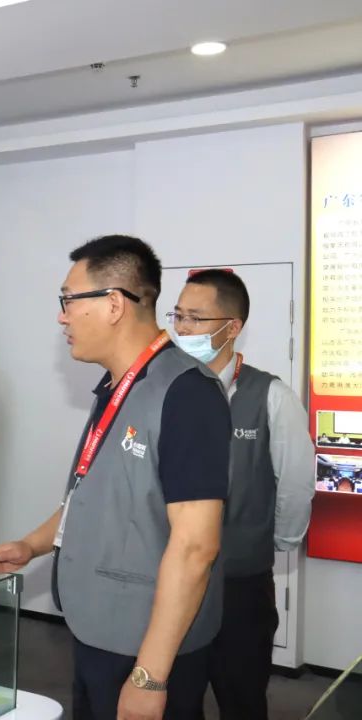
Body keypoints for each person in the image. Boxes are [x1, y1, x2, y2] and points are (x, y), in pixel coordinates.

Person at [0, 235, 230, 720]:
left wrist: (150, 675)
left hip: (147, 649)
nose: (62, 317)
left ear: (114, 304)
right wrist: (31, 545)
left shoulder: (186, 394)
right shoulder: (117, 385)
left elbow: (196, 547)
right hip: (100, 632)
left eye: (69, 300)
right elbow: (95, 493)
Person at [171, 269, 315, 720]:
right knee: (176, 699)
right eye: (178, 316)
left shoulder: (269, 395)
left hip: (239, 584)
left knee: (242, 698)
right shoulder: (163, 389)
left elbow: (296, 480)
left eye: (196, 318)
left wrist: (276, 542)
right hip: (175, 579)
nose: (182, 328)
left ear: (232, 327)